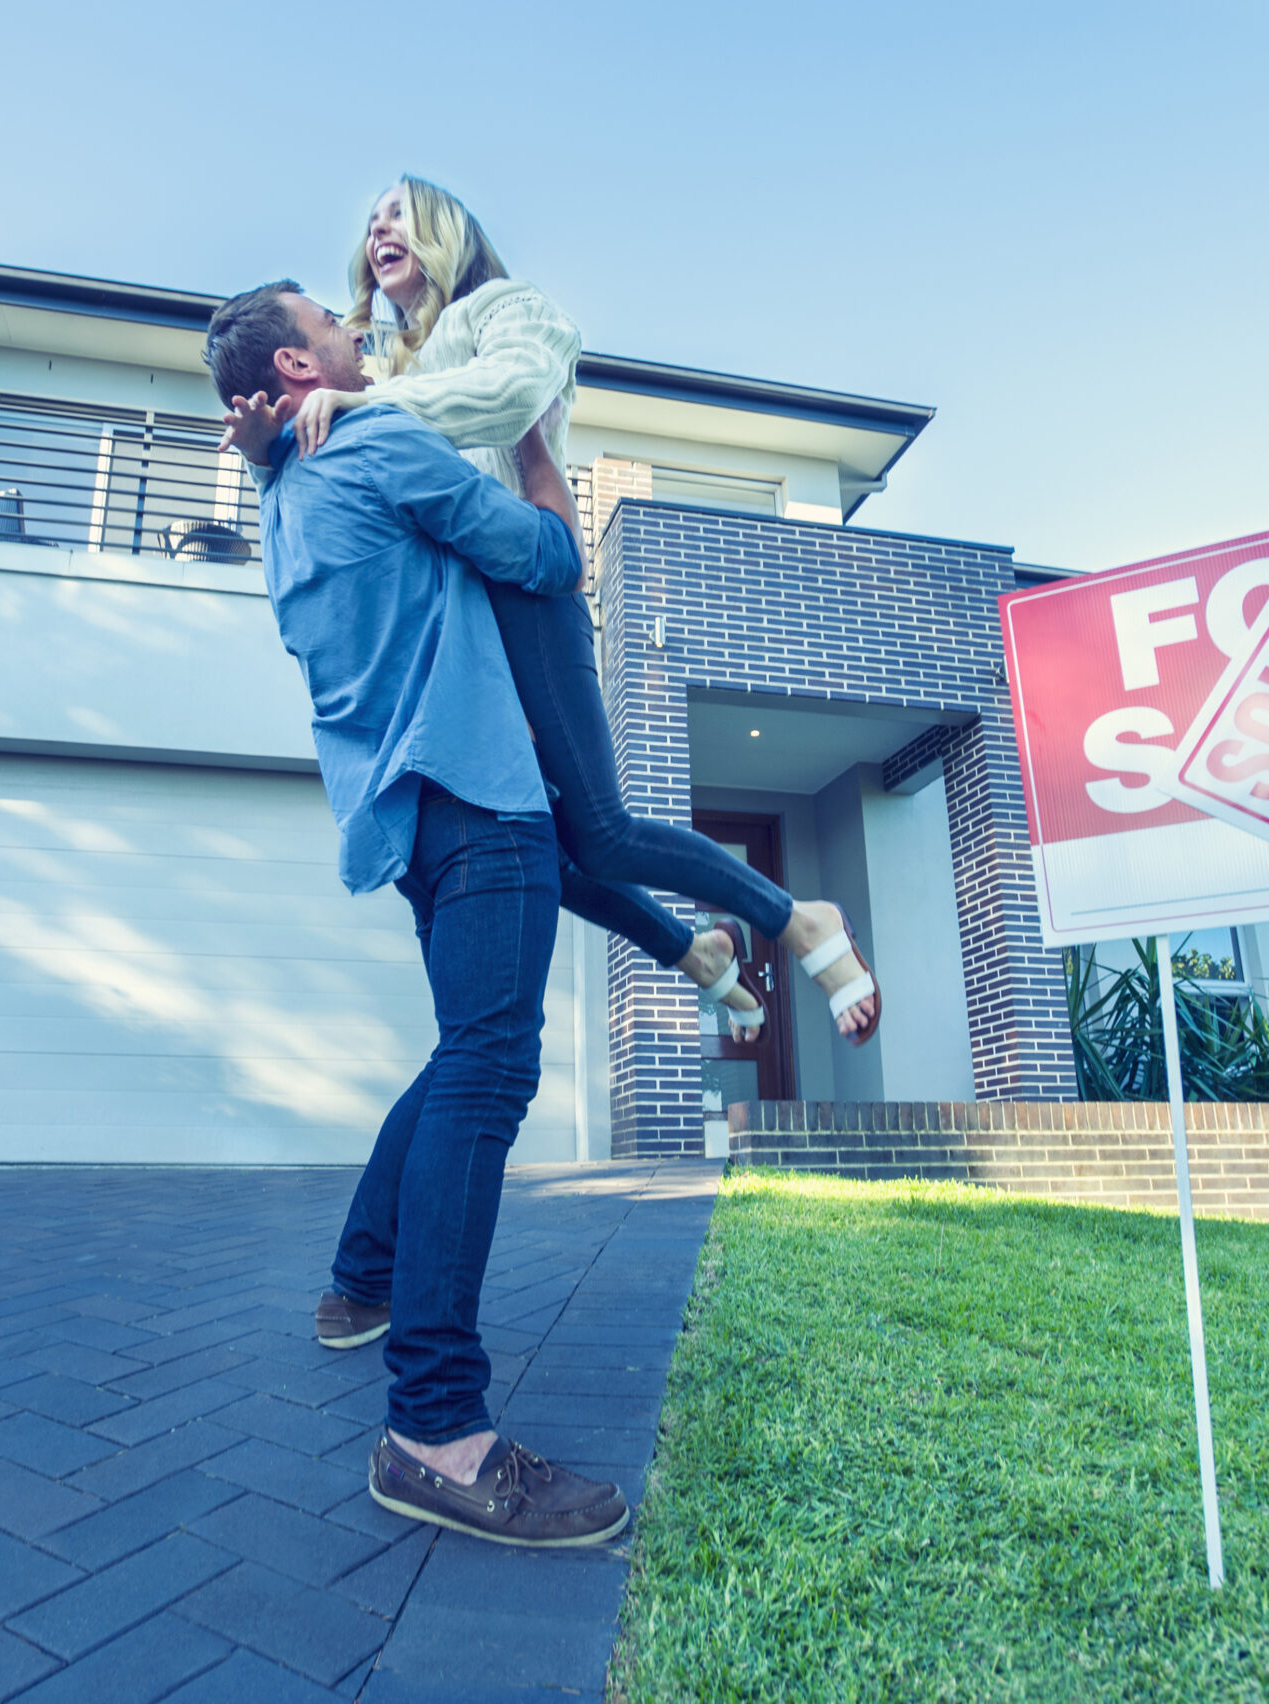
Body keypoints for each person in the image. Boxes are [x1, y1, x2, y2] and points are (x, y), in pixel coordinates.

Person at [222, 177, 882, 1053]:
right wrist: (274, 450)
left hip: (532, 589)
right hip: (467, 622)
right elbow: (341, 464)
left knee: (599, 834)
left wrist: (362, 403)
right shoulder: (386, 368)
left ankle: (794, 918)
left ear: (444, 230)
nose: (378, 230)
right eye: (369, 222)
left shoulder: (507, 309)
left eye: (397, 214)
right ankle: (702, 952)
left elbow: (510, 391)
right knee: (548, 854)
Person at [204, 280, 630, 1548]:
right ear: (298, 360)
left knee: (459, 1058)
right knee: (488, 1074)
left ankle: (358, 1284)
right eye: (331, 327)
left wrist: (269, 446)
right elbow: (546, 557)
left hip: (410, 827)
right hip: (485, 798)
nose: (356, 332)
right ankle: (435, 1432)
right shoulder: (376, 436)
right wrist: (541, 442)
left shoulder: (284, 502)